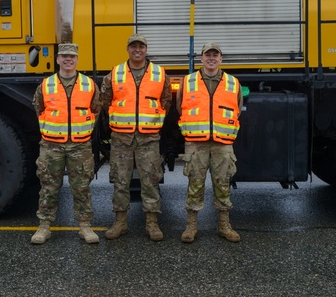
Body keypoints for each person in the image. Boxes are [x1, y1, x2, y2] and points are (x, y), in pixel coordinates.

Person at [100, 34, 171, 241]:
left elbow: (166, 101)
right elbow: (106, 101)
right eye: (133, 46)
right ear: (128, 49)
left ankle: (152, 223)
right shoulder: (115, 73)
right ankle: (120, 222)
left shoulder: (159, 73)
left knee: (150, 180)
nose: (137, 50)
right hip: (122, 137)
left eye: (141, 46)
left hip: (148, 138)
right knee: (120, 181)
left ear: (146, 49)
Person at [31, 43, 101, 245]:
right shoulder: (46, 85)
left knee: (81, 187)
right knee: (49, 187)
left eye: (72, 56)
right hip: (51, 146)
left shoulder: (88, 85)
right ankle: (44, 226)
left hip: (80, 146)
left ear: (77, 59)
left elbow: (96, 109)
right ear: (58, 60)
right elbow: (39, 108)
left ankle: (85, 226)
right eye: (64, 56)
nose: (68, 59)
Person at [176, 42, 243, 243]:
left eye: (215, 55)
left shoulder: (233, 83)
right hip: (196, 143)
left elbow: (237, 108)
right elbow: (180, 108)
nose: (211, 58)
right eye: (208, 55)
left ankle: (224, 226)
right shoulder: (188, 82)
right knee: (195, 184)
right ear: (202, 58)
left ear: (221, 58)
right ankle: (191, 227)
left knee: (223, 184)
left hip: (223, 143)